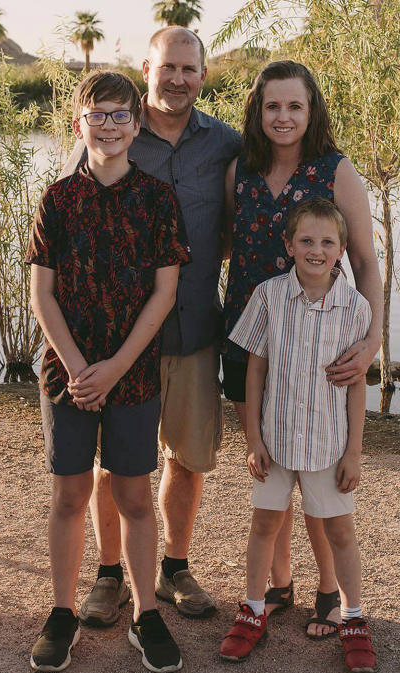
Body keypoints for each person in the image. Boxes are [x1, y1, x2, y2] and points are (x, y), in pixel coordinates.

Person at [60, 26, 241, 625]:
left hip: (191, 330)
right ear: (147, 69)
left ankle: (174, 568)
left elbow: (249, 224)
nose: (179, 79)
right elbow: (67, 225)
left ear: (203, 75)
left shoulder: (226, 145)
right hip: (116, 340)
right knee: (115, 465)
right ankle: (109, 574)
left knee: (187, 459)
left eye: (190, 69)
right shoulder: (113, 130)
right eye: (169, 67)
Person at [26, 70, 191, 673]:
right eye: (99, 114)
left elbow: (164, 294)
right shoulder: (56, 199)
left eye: (122, 115)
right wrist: (77, 368)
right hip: (65, 374)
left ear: (137, 124)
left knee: (133, 494)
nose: (111, 125)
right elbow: (42, 295)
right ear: (80, 124)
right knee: (70, 493)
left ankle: (146, 613)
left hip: (134, 374)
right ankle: (63, 612)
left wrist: (115, 368)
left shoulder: (157, 200)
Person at [221, 60, 383, 639]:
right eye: (272, 106)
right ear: (257, 111)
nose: (283, 117)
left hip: (321, 342)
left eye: (295, 106)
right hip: (253, 334)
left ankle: (330, 592)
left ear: (311, 111)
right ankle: (276, 586)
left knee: (317, 471)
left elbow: (364, 261)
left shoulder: (335, 172)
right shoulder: (241, 169)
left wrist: (371, 341)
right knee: (271, 463)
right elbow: (224, 243)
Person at [220, 197, 378, 673]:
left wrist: (354, 451)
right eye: (306, 241)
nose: (316, 250)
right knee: (265, 523)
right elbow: (254, 370)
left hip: (328, 444)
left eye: (327, 242)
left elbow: (354, 386)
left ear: (341, 249)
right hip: (275, 439)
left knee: (340, 532)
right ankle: (252, 609)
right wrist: (253, 438)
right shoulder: (268, 296)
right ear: (288, 245)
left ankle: (352, 618)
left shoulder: (355, 308)